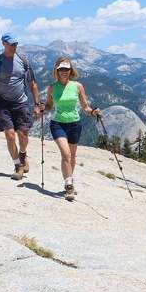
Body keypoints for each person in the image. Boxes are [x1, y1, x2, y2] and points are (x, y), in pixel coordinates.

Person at [0, 33, 41, 180]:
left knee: (23, 135)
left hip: (21, 102)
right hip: (3, 103)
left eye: (15, 44)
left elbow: (32, 84)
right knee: (10, 135)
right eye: (11, 44)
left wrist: (37, 104)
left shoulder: (23, 61)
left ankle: (23, 154)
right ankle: (18, 166)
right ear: (3, 44)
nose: (14, 47)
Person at [41, 57, 100, 201]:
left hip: (75, 124)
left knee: (72, 157)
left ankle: (69, 180)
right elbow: (49, 105)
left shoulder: (78, 86)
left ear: (70, 70)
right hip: (57, 124)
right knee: (66, 154)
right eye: (61, 69)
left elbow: (85, 107)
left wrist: (93, 112)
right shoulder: (52, 88)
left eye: (66, 69)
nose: (64, 72)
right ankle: (69, 186)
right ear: (57, 70)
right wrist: (43, 108)